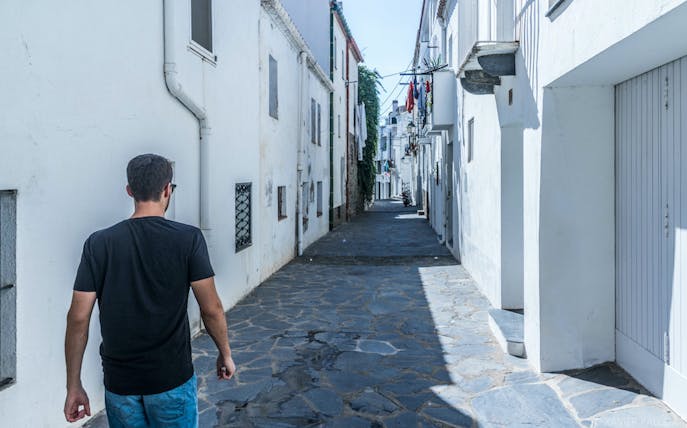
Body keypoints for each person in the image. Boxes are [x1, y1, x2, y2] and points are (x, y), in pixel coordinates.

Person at [63, 154, 236, 427]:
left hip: (121, 383)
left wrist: (73, 385)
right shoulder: (188, 239)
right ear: (167, 189)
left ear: (130, 190)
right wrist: (224, 353)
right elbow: (211, 308)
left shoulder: (98, 244)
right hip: (171, 378)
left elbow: (78, 318)